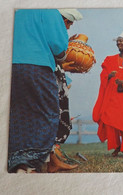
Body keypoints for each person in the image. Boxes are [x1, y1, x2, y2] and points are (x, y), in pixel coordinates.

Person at [8, 9, 69, 173]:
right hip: (37, 66)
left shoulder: (17, 10)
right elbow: (58, 46)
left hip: (10, 66)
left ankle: (19, 162)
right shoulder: (48, 9)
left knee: (18, 113)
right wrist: (63, 56)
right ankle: (32, 162)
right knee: (49, 112)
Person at [47, 9, 83, 173]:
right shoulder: (51, 32)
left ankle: (53, 159)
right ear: (62, 20)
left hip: (56, 78)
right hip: (48, 79)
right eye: (68, 22)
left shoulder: (53, 31)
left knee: (60, 117)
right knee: (53, 117)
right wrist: (65, 65)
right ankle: (52, 160)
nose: (69, 26)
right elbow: (54, 59)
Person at [93, 31, 123, 157]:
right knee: (111, 120)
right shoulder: (110, 59)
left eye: (122, 41)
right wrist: (109, 76)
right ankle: (116, 147)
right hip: (112, 96)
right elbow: (103, 76)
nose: (119, 43)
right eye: (118, 41)